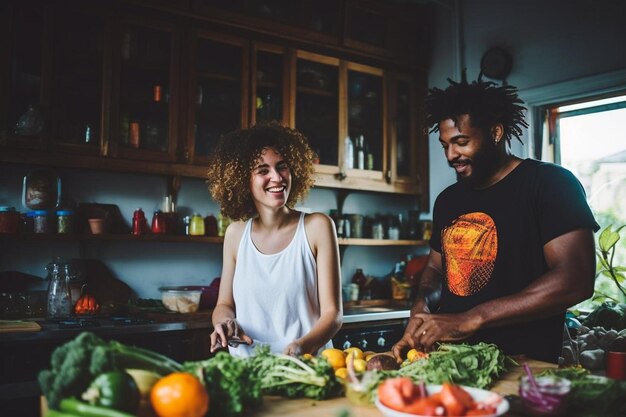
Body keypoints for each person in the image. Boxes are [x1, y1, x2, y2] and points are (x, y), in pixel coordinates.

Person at [392, 74, 599, 363]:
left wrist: (472, 318)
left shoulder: (550, 183)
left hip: (523, 364)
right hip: (449, 361)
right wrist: (422, 305)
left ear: (496, 132)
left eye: (461, 142)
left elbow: (575, 278)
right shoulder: (448, 200)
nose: (451, 154)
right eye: (445, 145)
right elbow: (437, 270)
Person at [206, 122, 342, 357]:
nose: (277, 177)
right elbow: (224, 305)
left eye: (282, 167)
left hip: (305, 367)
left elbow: (333, 315)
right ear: (242, 180)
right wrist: (225, 322)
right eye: (263, 170)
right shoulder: (235, 234)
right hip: (249, 369)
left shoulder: (317, 227)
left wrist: (302, 346)